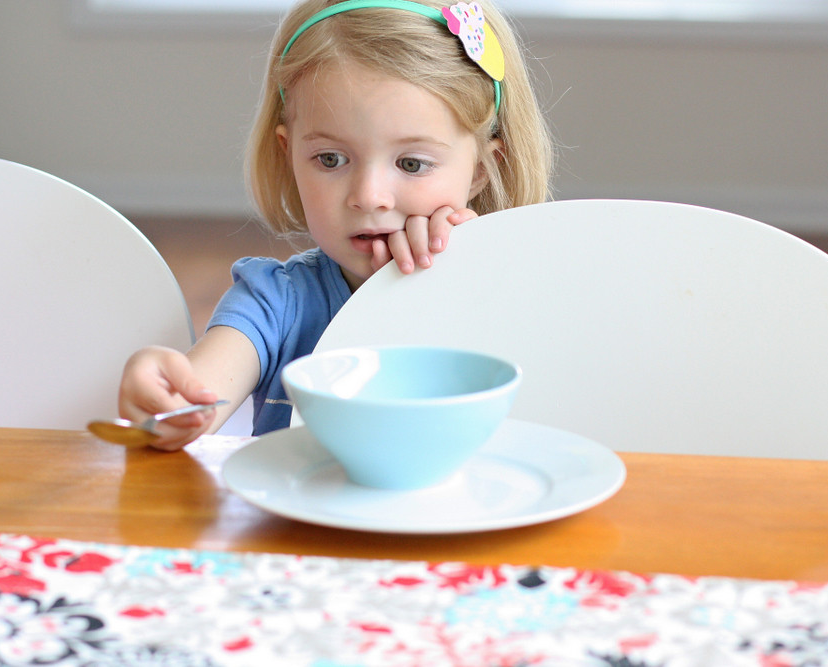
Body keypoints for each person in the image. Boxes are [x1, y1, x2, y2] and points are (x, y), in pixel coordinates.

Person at [118, 0, 554, 450]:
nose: (368, 195)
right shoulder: (275, 301)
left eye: (411, 163)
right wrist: (166, 397)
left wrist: (472, 275)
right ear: (289, 155)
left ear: (482, 168)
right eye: (331, 159)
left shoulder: (506, 297)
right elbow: (196, 400)